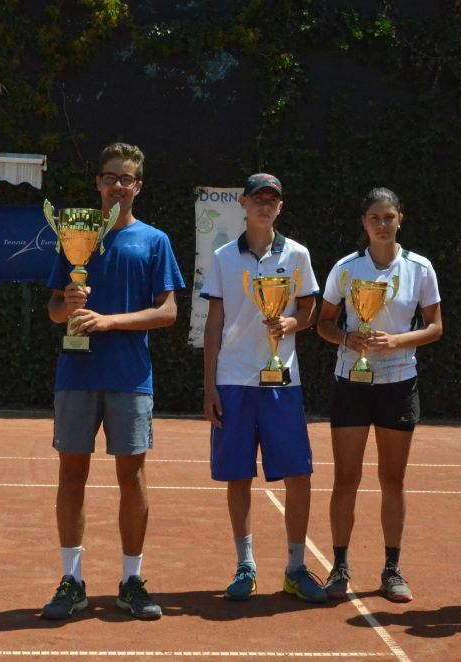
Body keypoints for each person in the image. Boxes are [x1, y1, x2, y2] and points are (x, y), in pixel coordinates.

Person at [41, 142, 185, 621]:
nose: (117, 186)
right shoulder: (73, 236)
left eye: (126, 179)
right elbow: (55, 309)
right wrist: (69, 304)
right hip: (76, 375)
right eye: (110, 178)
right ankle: (73, 581)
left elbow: (168, 312)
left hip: (129, 377)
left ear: (137, 187)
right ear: (98, 183)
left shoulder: (154, 241)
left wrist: (109, 322)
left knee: (132, 477)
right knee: (71, 476)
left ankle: (131, 581)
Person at [201, 173, 327, 604]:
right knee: (238, 476)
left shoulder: (298, 254)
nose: (264, 206)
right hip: (233, 380)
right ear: (243, 202)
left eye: (272, 200)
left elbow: (309, 308)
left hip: (282, 380)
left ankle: (295, 568)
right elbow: (214, 323)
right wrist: (209, 385)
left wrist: (292, 322)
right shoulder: (223, 257)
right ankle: (245, 566)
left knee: (299, 474)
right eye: (258, 199)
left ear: (280, 208)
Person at [316, 187, 442, 603]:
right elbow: (324, 323)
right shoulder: (345, 268)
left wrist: (398, 341)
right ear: (364, 223)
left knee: (392, 480)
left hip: (399, 383)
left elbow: (435, 327)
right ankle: (339, 567)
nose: (382, 224)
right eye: (375, 217)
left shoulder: (420, 268)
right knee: (345, 479)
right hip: (351, 382)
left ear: (400, 219)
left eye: (389, 217)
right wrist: (347, 338)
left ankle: (392, 569)